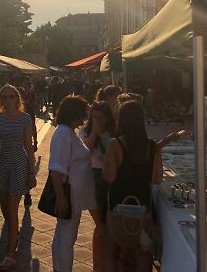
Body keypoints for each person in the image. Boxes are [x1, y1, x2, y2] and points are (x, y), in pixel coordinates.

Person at [103, 100, 163, 272]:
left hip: (118, 202)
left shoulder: (115, 144)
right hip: (142, 203)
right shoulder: (152, 147)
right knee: (143, 251)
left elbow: (109, 177)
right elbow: (157, 178)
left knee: (111, 247)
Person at [49, 95, 96, 272]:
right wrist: (61, 197)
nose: (83, 119)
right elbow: (56, 168)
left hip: (72, 193)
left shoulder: (67, 132)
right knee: (67, 236)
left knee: (63, 233)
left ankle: (59, 268)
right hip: (69, 193)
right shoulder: (63, 133)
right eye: (82, 115)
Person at [0, 85, 36, 270]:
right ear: (1, 99)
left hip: (19, 162)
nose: (8, 99)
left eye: (11, 96)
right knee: (4, 207)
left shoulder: (25, 118)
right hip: (3, 162)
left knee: (12, 208)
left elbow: (28, 145)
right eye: (5, 96)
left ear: (17, 98)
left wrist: (31, 171)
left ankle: (11, 253)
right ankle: (14, 232)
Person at [80, 101, 116, 272]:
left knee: (108, 225)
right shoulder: (85, 132)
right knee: (101, 225)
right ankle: (98, 267)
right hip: (93, 179)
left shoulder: (114, 134)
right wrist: (94, 130)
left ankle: (106, 264)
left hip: (111, 180)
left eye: (101, 117)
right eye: (94, 117)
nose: (97, 120)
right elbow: (85, 150)